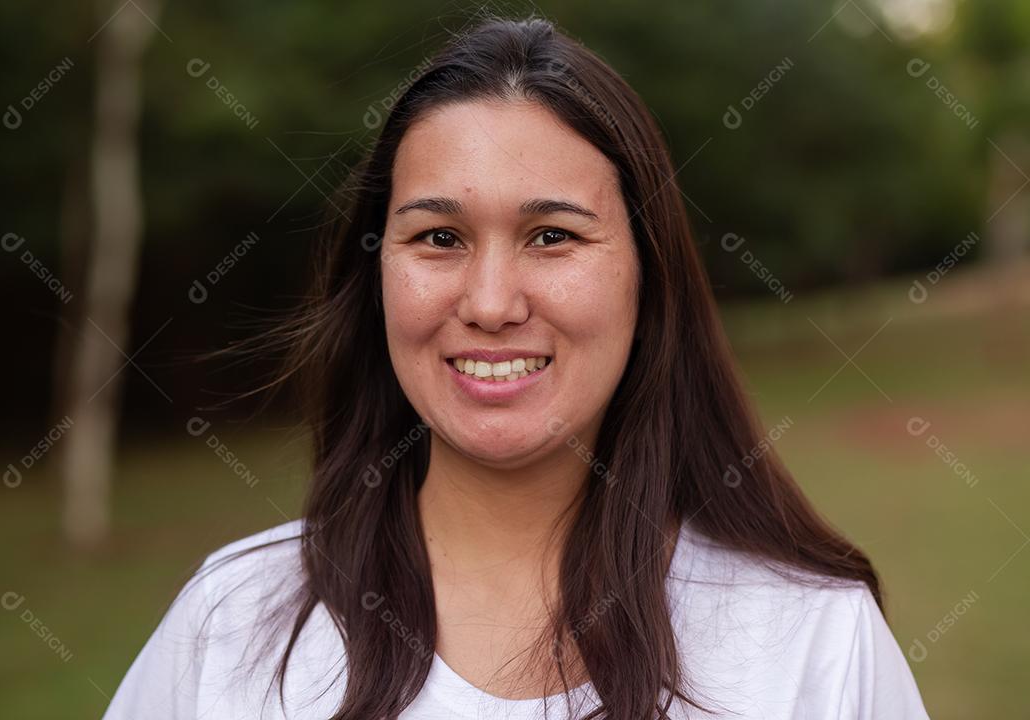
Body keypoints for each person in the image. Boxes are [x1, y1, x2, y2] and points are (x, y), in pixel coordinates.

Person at [102, 15, 931, 720]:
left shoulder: (813, 640)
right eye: (439, 238)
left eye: (552, 236)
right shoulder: (230, 626)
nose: (491, 303)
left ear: (648, 277)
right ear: (375, 274)